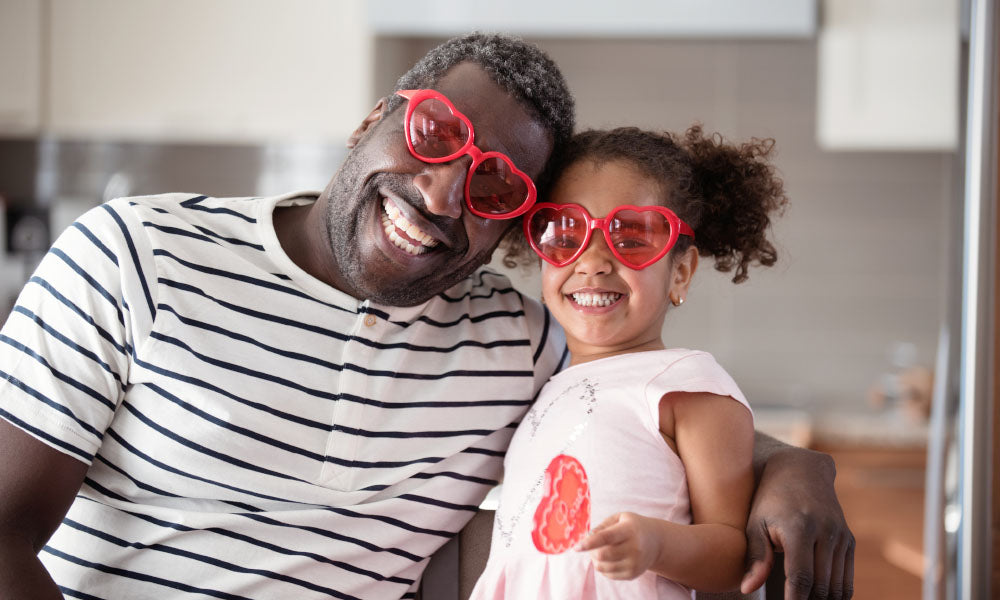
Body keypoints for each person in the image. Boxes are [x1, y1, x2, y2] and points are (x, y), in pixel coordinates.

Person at [0, 33, 852, 600]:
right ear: (374, 119)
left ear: (512, 226)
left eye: (496, 186)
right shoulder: (134, 251)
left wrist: (799, 469)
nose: (444, 195)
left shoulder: (515, 342)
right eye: (435, 135)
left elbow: (647, 403)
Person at [471, 125, 797, 599]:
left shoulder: (688, 387)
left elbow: (733, 559)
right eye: (565, 232)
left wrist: (655, 543)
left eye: (633, 236)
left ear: (680, 273)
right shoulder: (543, 384)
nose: (593, 261)